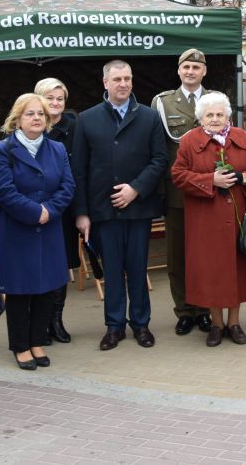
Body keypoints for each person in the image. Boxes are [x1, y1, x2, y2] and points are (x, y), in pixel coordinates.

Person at [72, 61, 167, 352]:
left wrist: (135, 188)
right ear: (105, 83)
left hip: (138, 208)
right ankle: (114, 326)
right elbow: (79, 169)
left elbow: (160, 159)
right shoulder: (87, 119)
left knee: (137, 268)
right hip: (103, 210)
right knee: (112, 270)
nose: (123, 84)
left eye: (127, 78)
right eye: (117, 79)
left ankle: (141, 324)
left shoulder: (150, 117)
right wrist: (82, 212)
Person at [171, 91, 246, 347]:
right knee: (213, 272)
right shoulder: (188, 141)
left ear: (228, 116)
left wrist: (244, 177)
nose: (215, 119)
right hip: (205, 220)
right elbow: (178, 175)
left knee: (237, 270)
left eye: (219, 114)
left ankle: (234, 323)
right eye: (209, 115)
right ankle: (215, 324)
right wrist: (209, 180)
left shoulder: (245, 139)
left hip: (239, 217)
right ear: (201, 118)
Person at [0, 93, 74, 371]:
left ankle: (38, 341)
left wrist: (49, 210)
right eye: (30, 114)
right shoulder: (2, 150)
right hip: (16, 231)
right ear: (17, 119)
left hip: (49, 229)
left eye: (41, 114)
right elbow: (1, 189)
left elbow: (68, 186)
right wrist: (35, 212)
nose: (36, 118)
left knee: (47, 288)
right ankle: (21, 346)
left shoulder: (57, 149)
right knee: (19, 290)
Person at [151, 48, 213, 336]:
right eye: (186, 67)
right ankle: (185, 310)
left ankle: (205, 310)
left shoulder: (215, 101)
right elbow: (156, 146)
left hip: (210, 188)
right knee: (178, 255)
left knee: (207, 253)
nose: (191, 72)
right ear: (178, 70)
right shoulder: (163, 103)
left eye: (196, 67)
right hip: (176, 190)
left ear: (204, 71)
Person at [35, 77, 80, 344]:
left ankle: (56, 319)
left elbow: (77, 172)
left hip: (63, 209)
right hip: (34, 210)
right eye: (50, 98)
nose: (55, 103)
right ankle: (40, 321)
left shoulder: (74, 128)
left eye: (60, 99)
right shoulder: (28, 125)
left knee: (60, 266)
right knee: (38, 265)